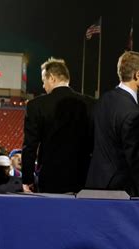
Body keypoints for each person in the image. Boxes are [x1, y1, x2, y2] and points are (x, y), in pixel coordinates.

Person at [86, 51, 139, 197]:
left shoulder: (103, 100)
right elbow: (136, 158)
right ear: (138, 75)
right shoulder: (133, 112)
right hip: (120, 190)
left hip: (95, 184)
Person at [22, 57, 94, 193]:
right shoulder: (91, 104)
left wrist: (27, 179)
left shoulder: (36, 105)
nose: (43, 86)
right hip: (83, 178)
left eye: (44, 81)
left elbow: (30, 145)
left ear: (52, 78)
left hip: (50, 178)